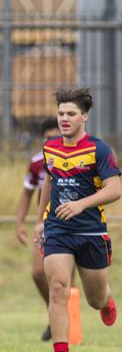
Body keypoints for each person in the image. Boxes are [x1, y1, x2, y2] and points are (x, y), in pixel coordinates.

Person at [33, 88, 120, 352]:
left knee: (94, 299)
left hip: (91, 232)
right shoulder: (50, 148)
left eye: (71, 114)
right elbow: (48, 182)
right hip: (57, 229)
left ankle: (107, 300)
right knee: (58, 288)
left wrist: (81, 204)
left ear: (84, 117)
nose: (64, 119)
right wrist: (39, 221)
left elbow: (115, 189)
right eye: (60, 114)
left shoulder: (99, 149)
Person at [15, 118, 61, 341]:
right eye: (48, 137)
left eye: (56, 136)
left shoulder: (75, 157)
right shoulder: (36, 162)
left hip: (74, 224)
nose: (51, 140)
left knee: (64, 280)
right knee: (38, 272)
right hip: (47, 223)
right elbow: (27, 193)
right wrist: (20, 223)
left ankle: (62, 320)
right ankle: (54, 314)